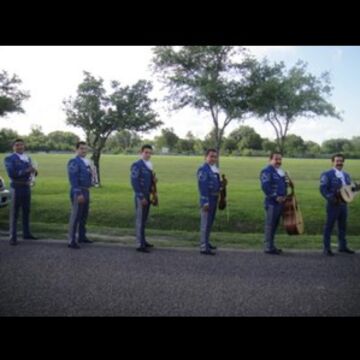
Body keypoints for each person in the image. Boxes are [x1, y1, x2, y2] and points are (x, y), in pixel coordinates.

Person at [4, 138, 38, 246]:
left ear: (24, 146)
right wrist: (27, 170)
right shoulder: (9, 158)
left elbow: (32, 173)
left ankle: (26, 233)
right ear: (13, 147)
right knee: (14, 213)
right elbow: (12, 173)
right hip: (16, 187)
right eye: (17, 145)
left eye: (21, 145)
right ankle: (12, 237)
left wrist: (34, 172)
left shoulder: (28, 158)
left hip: (26, 187)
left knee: (26, 211)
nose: (20, 147)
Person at [320, 153, 355, 256]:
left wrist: (355, 190)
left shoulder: (346, 175)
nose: (339, 163)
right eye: (337, 161)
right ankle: (326, 248)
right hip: (333, 205)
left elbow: (349, 190)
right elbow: (323, 189)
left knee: (343, 227)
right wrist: (332, 198)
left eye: (341, 161)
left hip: (344, 205)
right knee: (329, 226)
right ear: (333, 162)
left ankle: (342, 247)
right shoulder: (327, 174)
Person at [260, 152, 288, 255]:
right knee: (270, 225)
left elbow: (284, 186)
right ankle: (268, 247)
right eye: (276, 159)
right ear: (270, 159)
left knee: (275, 225)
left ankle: (271, 246)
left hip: (280, 203)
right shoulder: (266, 171)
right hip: (272, 202)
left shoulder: (280, 172)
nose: (279, 161)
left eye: (280, 159)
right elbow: (265, 186)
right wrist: (275, 197)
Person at [67, 141, 94, 249]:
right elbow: (73, 179)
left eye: (85, 149)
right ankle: (71, 240)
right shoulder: (74, 161)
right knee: (75, 216)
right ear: (76, 150)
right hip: (78, 191)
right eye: (81, 148)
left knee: (84, 216)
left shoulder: (86, 162)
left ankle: (82, 236)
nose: (84, 151)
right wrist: (78, 193)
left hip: (86, 190)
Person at [130, 144, 156, 253]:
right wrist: (140, 196)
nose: (148, 155)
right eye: (146, 152)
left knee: (144, 220)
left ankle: (143, 240)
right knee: (140, 220)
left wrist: (154, 181)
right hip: (141, 195)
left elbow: (149, 181)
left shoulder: (149, 165)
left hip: (147, 194)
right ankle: (139, 244)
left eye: (150, 153)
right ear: (140, 153)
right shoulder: (137, 165)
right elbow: (134, 182)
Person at [197, 148, 221, 255]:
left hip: (214, 198)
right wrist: (205, 202)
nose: (213, 159)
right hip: (208, 199)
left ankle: (206, 242)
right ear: (205, 157)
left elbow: (216, 184)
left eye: (215, 157)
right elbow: (203, 187)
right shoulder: (203, 169)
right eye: (211, 156)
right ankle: (203, 246)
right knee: (205, 223)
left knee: (209, 223)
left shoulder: (214, 169)